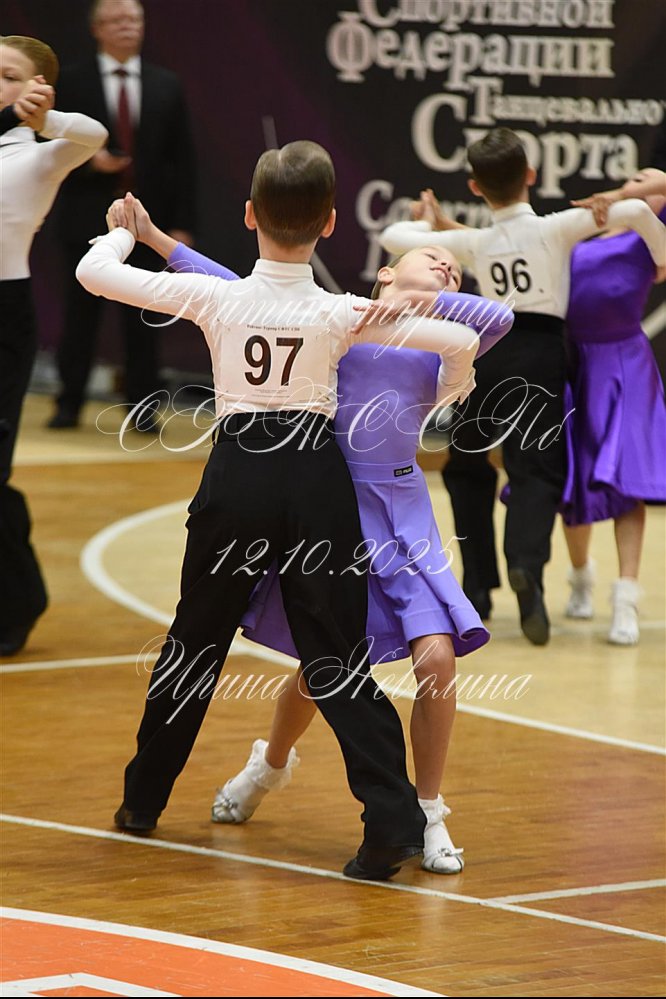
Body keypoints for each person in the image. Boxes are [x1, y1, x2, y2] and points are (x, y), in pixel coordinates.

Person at [76, 141, 481, 881]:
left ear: (249, 216)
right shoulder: (341, 309)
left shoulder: (222, 298)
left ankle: (143, 799)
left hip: (239, 475)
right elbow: (462, 337)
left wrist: (123, 234)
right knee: (337, 654)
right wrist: (446, 375)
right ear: (330, 224)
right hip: (317, 481)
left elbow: (93, 275)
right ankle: (392, 823)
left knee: (194, 643)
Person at [379, 128, 666, 646]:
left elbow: (395, 239)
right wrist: (659, 254)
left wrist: (427, 223)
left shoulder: (477, 242)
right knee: (536, 471)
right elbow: (641, 213)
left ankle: (477, 585)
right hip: (541, 356)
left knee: (466, 468)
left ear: (474, 186)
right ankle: (526, 567)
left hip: (485, 347)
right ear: (531, 175)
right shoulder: (558, 227)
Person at [0, 36, 108, 657]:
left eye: (9, 75)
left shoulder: (37, 158)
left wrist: (46, 120)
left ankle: (20, 600)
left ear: (37, 87)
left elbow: (93, 135)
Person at [48, 0, 197, 433]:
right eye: (116, 20)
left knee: (145, 319)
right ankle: (69, 402)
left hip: (148, 224)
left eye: (134, 19)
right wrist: (89, 162)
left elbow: (184, 161)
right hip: (85, 216)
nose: (127, 27)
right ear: (97, 28)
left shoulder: (166, 84)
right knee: (80, 318)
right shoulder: (71, 81)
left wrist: (182, 225)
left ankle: (142, 408)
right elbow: (48, 148)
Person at [560, 168, 666, 644]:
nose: (641, 181)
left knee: (626, 482)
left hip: (625, 364)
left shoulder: (651, 235)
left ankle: (626, 598)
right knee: (574, 482)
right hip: (574, 361)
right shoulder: (583, 231)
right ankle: (580, 576)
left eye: (647, 178)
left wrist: (626, 193)